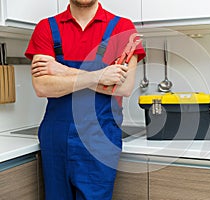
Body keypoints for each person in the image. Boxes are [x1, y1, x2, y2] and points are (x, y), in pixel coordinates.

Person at [25, 0, 145, 199]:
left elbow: (123, 87)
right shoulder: (46, 28)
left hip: (100, 137)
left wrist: (62, 71)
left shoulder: (122, 28)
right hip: (56, 136)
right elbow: (42, 86)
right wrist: (98, 76)